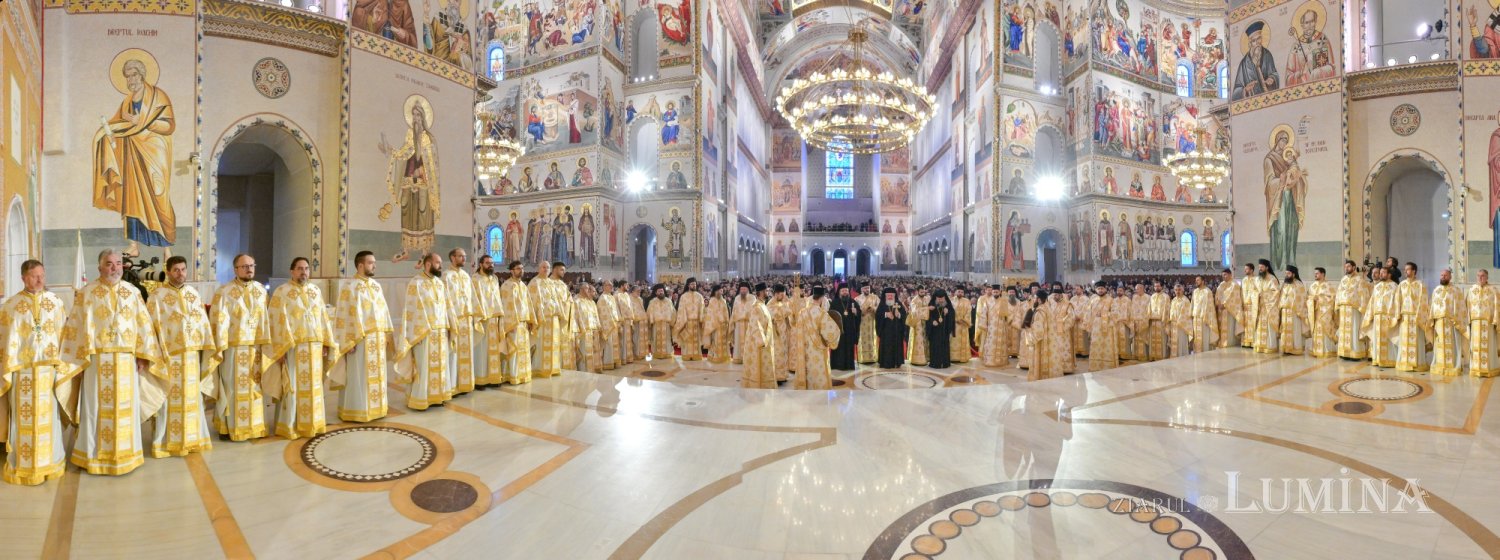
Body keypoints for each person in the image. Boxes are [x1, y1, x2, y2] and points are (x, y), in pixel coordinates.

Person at [59, 249, 166, 476]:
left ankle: (126, 454)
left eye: (118, 263)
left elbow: (144, 325)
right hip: (96, 362)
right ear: (100, 267)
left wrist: (143, 355)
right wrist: (77, 362)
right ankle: (93, 455)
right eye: (109, 264)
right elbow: (74, 329)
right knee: (96, 408)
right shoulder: (86, 293)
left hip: (126, 361)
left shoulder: (132, 292)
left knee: (125, 408)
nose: (115, 268)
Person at [0, 260, 68, 484]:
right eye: (33, 276)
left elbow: (64, 337)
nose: (39, 280)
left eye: (42, 275)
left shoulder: (56, 303)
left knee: (48, 417)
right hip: (22, 374)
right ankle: (24, 463)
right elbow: (5, 340)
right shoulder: (11, 306)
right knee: (24, 418)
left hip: (48, 371)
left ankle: (51, 460)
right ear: (23, 278)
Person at [145, 256, 216, 458]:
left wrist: (207, 348)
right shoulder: (156, 296)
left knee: (191, 398)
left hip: (191, 357)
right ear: (168, 272)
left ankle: (193, 438)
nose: (180, 274)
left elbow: (202, 323)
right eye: (176, 270)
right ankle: (167, 442)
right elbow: (150, 328)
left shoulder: (193, 294)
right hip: (169, 358)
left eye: (183, 269)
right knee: (170, 399)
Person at [264, 257, 338, 439]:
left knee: (313, 387)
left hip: (314, 348)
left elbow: (322, 317)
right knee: (293, 387)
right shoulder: (282, 292)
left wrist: (325, 343)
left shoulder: (315, 291)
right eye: (299, 268)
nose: (304, 272)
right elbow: (275, 321)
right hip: (292, 349)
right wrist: (278, 350)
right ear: (292, 271)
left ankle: (313, 422)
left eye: (306, 268)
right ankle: (290, 425)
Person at [210, 254, 271, 440]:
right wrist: (220, 348)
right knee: (231, 388)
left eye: (251, 265)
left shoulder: (261, 291)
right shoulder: (224, 291)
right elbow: (217, 321)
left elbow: (267, 319)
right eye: (244, 266)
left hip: (255, 348)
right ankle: (229, 428)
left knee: (254, 388)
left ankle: (255, 426)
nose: (249, 269)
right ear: (235, 269)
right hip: (233, 349)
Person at [330, 250, 393, 422]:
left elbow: (383, 311)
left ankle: (377, 409)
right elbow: (343, 316)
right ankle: (356, 410)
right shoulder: (349, 287)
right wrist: (348, 341)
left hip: (377, 339)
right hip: (359, 340)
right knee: (359, 377)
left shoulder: (376, 286)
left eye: (374, 262)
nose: (375, 265)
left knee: (377, 376)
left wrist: (387, 334)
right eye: (371, 262)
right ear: (360, 265)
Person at [393, 253, 454, 409]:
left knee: (440, 365)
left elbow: (445, 307)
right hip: (424, 333)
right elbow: (412, 310)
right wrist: (416, 332)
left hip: (440, 332)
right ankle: (421, 398)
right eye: (438, 263)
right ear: (428, 264)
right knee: (424, 366)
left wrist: (449, 327)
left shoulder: (440, 284)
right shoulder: (416, 283)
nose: (441, 265)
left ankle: (438, 396)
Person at [444, 249, 480, 394]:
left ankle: (464, 384)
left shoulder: (466, 276)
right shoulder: (446, 276)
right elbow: (445, 300)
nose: (463, 259)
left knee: (466, 352)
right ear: (452, 258)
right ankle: (452, 386)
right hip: (455, 320)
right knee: (453, 353)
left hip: (467, 319)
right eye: (460, 256)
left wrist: (476, 315)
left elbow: (473, 297)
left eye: (464, 256)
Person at [797, 286, 841, 389]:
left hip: (804, 349)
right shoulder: (822, 313)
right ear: (821, 298)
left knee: (807, 370)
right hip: (818, 351)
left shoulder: (802, 312)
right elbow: (832, 333)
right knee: (819, 371)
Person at [472, 255, 506, 384]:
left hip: (494, 318)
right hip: (482, 318)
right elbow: (473, 299)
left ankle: (493, 377)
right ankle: (480, 379)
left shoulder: (494, 278)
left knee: (493, 349)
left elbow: (497, 297)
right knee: (481, 349)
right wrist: (479, 315)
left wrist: (499, 314)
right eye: (487, 263)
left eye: (492, 263)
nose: (490, 265)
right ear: (481, 264)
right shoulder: (475, 279)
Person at [498, 261, 534, 384]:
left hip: (523, 323)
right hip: (513, 323)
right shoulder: (507, 286)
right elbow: (507, 305)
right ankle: (512, 375)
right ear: (511, 270)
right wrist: (511, 323)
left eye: (522, 268)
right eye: (518, 268)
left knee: (523, 349)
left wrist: (530, 320)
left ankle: (523, 374)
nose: (521, 271)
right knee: (513, 349)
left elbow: (528, 303)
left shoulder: (523, 286)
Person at [1395, 262, 1435, 373]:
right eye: (1405, 269)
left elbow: (1424, 302)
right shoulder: (1401, 285)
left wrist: (1420, 318)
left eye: (1408, 269)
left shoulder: (1421, 284)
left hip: (1416, 318)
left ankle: (1418, 363)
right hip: (1405, 318)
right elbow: (1398, 301)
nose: (1405, 271)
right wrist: (1398, 315)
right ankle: (1405, 362)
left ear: (1414, 271)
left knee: (1417, 341)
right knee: (1405, 341)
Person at [1430, 268, 1467, 377]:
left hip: (1452, 323)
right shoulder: (1436, 290)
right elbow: (1432, 305)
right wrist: (1432, 320)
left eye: (1445, 275)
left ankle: (1454, 365)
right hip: (1439, 322)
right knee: (1439, 344)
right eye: (1441, 275)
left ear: (1450, 277)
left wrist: (1457, 321)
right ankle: (1440, 365)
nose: (1443, 277)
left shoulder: (1456, 290)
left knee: (1453, 344)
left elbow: (1461, 307)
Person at [739, 284, 776, 389]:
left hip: (766, 341)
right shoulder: (756, 307)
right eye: (766, 291)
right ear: (761, 292)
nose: (767, 293)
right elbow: (756, 325)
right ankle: (757, 384)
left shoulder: (763, 305)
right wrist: (762, 341)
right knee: (758, 364)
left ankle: (764, 383)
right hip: (758, 343)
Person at [1363, 266, 1400, 368]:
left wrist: (1394, 316)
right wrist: (1369, 316)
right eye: (1381, 273)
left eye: (1383, 273)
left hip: (1388, 318)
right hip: (1377, 317)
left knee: (1389, 338)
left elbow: (1397, 303)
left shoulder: (1395, 286)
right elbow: (1372, 301)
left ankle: (1390, 360)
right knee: (1377, 339)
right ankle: (1378, 359)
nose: (1381, 275)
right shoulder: (1377, 287)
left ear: (1389, 274)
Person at [1335, 260, 1371, 360]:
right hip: (1343, 308)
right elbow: (1339, 292)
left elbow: (1364, 294)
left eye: (1348, 267)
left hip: (1354, 308)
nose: (1346, 269)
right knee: (1343, 330)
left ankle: (1356, 353)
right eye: (1345, 267)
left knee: (1354, 330)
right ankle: (1345, 353)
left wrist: (1362, 308)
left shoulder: (1360, 279)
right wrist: (1337, 305)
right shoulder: (1343, 279)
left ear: (1354, 267)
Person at [1469, 270, 1500, 377]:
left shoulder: (1493, 290)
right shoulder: (1472, 289)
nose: (1480, 278)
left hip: (1489, 323)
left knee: (1489, 345)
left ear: (1487, 277)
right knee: (1475, 346)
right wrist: (1469, 320)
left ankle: (1490, 368)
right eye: (1478, 276)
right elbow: (1467, 306)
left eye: (1483, 276)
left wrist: (1496, 320)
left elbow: (1497, 306)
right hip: (1476, 322)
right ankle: (1476, 368)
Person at [1023, 292, 1059, 380]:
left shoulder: (1039, 311)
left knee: (1039, 358)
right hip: (1049, 339)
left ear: (1039, 299)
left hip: (1041, 341)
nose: (1033, 300)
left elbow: (1038, 330)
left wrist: (1028, 328)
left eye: (1035, 298)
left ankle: (1038, 376)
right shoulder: (1048, 308)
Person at [1306, 267, 1337, 358]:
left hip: (1324, 313)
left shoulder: (1328, 286)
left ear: (1323, 274)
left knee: (1325, 330)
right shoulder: (1312, 286)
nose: (1315, 275)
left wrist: (1319, 299)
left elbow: (1332, 299)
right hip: (1315, 313)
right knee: (1316, 331)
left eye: (1317, 273)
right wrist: (1312, 300)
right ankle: (1316, 349)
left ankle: (1327, 350)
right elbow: (1308, 297)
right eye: (1315, 273)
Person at [1087, 282, 1119, 369]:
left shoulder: (1111, 300)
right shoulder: (1093, 300)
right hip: (1096, 328)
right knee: (1096, 344)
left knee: (1107, 346)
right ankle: (1095, 366)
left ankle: (1107, 365)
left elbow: (1116, 313)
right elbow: (1088, 313)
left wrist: (1104, 314)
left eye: (1102, 288)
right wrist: (1088, 325)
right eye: (1098, 289)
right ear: (1096, 290)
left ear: (1105, 289)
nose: (1100, 290)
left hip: (1107, 327)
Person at [1253, 260, 1282, 354]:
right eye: (1259, 267)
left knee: (1269, 327)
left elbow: (1276, 292)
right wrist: (1257, 295)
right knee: (1260, 327)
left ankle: (1270, 346)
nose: (1260, 269)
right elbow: (1254, 291)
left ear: (1267, 268)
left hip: (1270, 308)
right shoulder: (1257, 279)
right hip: (1260, 307)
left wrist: (1264, 295)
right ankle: (1260, 345)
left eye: (1261, 267)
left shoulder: (1272, 279)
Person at [572, 283, 602, 373]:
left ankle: (590, 370)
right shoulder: (576, 301)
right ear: (581, 289)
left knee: (590, 353)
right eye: (587, 289)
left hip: (591, 330)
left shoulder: (587, 301)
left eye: (589, 289)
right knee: (583, 352)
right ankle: (583, 371)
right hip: (582, 331)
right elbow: (575, 317)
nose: (589, 291)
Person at [875, 288, 908, 368]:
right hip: (885, 331)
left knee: (896, 345)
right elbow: (877, 316)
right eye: (888, 295)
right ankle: (885, 363)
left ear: (894, 296)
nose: (890, 297)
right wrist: (885, 314)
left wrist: (899, 315)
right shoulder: (882, 304)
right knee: (886, 346)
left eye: (892, 295)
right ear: (885, 296)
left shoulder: (898, 303)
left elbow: (904, 316)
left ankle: (897, 362)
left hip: (897, 330)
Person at [674, 278, 706, 361]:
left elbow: (702, 309)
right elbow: (681, 309)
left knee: (696, 340)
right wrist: (683, 321)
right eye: (692, 284)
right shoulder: (683, 296)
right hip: (686, 322)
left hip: (696, 322)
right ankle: (686, 355)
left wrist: (701, 319)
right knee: (687, 339)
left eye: (695, 284)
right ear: (688, 285)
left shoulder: (699, 296)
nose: (694, 285)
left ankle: (696, 355)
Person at [979, 286, 1010, 367]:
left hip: (1001, 326)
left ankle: (1002, 360)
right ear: (992, 292)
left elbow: (1008, 314)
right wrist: (984, 325)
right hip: (991, 327)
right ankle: (990, 360)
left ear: (1000, 292)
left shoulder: (1004, 301)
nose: (995, 293)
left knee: (1001, 343)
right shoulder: (987, 302)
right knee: (990, 343)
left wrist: (1006, 320)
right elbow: (983, 314)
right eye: (994, 292)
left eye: (997, 292)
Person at [831, 286, 860, 370]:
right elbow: (831, 315)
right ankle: (838, 365)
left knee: (849, 347)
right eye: (843, 291)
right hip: (838, 330)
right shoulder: (834, 302)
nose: (845, 292)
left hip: (850, 330)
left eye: (846, 290)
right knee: (839, 347)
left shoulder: (853, 302)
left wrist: (856, 312)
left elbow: (859, 316)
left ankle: (849, 365)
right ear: (839, 292)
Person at [926, 290, 956, 369]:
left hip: (944, 329)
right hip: (934, 331)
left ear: (945, 298)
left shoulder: (948, 305)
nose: (940, 300)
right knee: (935, 346)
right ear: (935, 298)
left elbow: (953, 315)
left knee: (944, 346)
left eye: (942, 299)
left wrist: (948, 313)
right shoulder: (931, 305)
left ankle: (945, 363)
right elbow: (927, 316)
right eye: (938, 299)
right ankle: (935, 363)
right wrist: (932, 321)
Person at [596, 280, 622, 370]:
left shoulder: (611, 297)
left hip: (614, 324)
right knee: (608, 344)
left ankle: (614, 362)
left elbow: (615, 310)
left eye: (611, 285)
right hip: (608, 325)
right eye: (608, 285)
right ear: (604, 286)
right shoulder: (602, 298)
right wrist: (611, 322)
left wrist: (618, 321)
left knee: (614, 344)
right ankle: (608, 363)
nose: (611, 287)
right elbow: (603, 312)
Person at [1190, 277, 1219, 354]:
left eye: (1198, 280)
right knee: (1197, 336)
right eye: (1195, 280)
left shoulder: (1207, 291)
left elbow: (1210, 306)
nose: (1196, 281)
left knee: (1204, 336)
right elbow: (1192, 303)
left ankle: (1206, 353)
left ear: (1203, 281)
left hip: (1204, 318)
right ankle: (1197, 352)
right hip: (1196, 318)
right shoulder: (1195, 291)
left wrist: (1207, 317)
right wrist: (1191, 314)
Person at [1215, 269, 1243, 348]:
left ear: (1230, 275)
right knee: (1222, 327)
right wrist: (1218, 303)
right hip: (1221, 310)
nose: (1224, 277)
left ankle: (1230, 342)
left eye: (1225, 275)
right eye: (1222, 275)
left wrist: (1224, 304)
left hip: (1230, 310)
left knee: (1229, 326)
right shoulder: (1221, 284)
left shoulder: (1234, 284)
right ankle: (1222, 341)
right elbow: (1217, 295)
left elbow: (1233, 297)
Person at [646, 284, 676, 360]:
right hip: (656, 324)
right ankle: (657, 353)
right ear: (656, 293)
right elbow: (649, 312)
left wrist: (672, 323)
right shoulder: (652, 302)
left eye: (662, 291)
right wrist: (651, 322)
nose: (661, 292)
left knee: (667, 339)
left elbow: (673, 312)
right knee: (656, 338)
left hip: (666, 324)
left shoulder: (668, 301)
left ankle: (667, 353)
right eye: (659, 291)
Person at [704, 285, 731, 363]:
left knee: (724, 341)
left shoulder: (723, 300)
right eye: (719, 291)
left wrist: (726, 321)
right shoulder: (712, 300)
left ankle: (724, 356)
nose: (720, 292)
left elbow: (726, 312)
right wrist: (717, 320)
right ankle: (715, 356)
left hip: (723, 325)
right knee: (716, 341)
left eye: (721, 291)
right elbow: (711, 313)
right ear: (715, 291)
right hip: (716, 325)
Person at [906, 288, 931, 365]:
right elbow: (915, 311)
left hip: (926, 322)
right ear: (917, 292)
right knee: (918, 340)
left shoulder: (927, 298)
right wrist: (927, 309)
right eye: (921, 292)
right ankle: (917, 359)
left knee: (925, 340)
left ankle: (926, 357)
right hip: (917, 323)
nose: (923, 293)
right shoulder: (914, 300)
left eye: (924, 291)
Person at [730, 283, 754, 365]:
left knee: (749, 341)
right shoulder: (737, 298)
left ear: (748, 289)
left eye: (744, 289)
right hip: (739, 324)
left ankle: (748, 358)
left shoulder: (752, 298)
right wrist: (733, 321)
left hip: (748, 323)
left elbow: (753, 310)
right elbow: (734, 311)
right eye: (741, 289)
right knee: (738, 341)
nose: (743, 291)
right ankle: (738, 358)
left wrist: (745, 315)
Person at [856, 285, 879, 364]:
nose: (867, 290)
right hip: (862, 323)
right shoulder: (857, 299)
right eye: (865, 288)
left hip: (872, 321)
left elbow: (880, 309)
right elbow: (856, 311)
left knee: (872, 338)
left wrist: (874, 308)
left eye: (868, 288)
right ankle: (862, 358)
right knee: (862, 339)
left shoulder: (875, 297)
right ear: (862, 289)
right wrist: (864, 309)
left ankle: (873, 357)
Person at [1168, 284, 1193, 358]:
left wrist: (1179, 321)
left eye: (1179, 290)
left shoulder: (1185, 300)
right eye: (1176, 290)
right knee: (1174, 342)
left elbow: (1186, 314)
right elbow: (1171, 312)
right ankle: (1174, 356)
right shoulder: (1174, 300)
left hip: (1182, 325)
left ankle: (1182, 356)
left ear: (1183, 290)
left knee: (1181, 341)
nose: (1177, 292)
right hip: (1174, 325)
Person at [1240, 263, 1260, 349]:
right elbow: (1241, 292)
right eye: (1245, 269)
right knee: (1245, 323)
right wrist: (1241, 302)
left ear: (1252, 270)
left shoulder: (1257, 279)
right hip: (1245, 305)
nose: (1245, 270)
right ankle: (1246, 341)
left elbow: (1258, 291)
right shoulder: (1243, 280)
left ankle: (1253, 342)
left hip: (1253, 305)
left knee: (1252, 322)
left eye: (1247, 269)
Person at [950, 289, 973, 364]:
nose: (960, 293)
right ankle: (952, 357)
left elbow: (969, 312)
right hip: (953, 324)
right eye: (958, 291)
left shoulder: (967, 301)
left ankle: (962, 357)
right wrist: (955, 319)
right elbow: (949, 311)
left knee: (962, 341)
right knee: (953, 340)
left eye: (962, 292)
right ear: (955, 292)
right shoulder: (951, 300)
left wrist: (963, 320)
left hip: (963, 324)